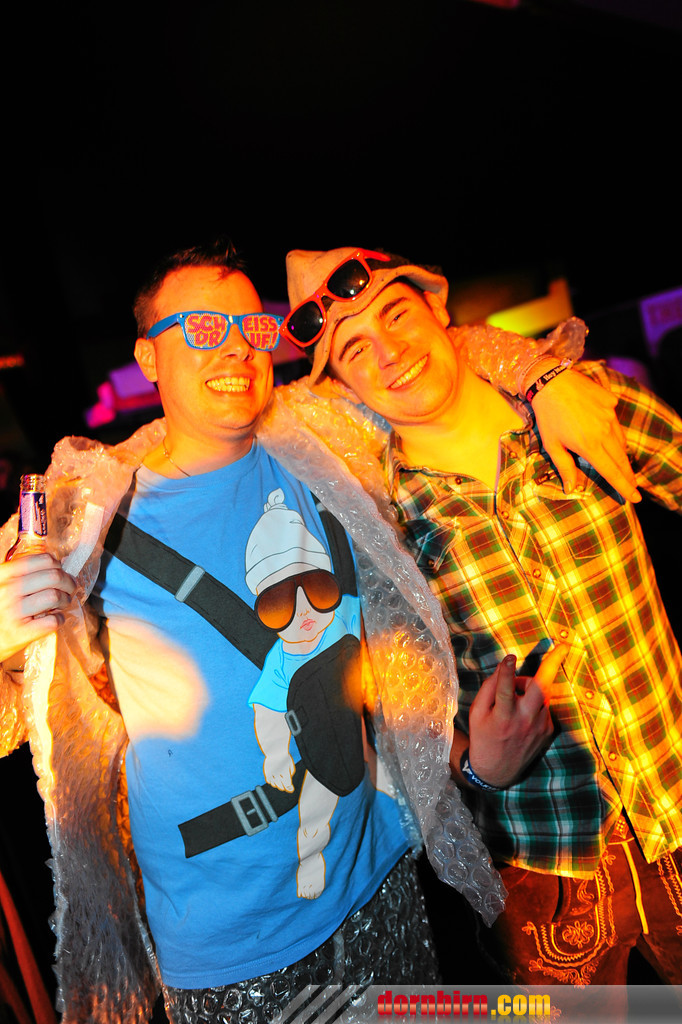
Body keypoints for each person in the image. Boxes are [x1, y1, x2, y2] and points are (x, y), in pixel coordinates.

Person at [0, 241, 633, 1024]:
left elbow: (423, 357)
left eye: (252, 327)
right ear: (148, 357)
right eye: (202, 328)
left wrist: (545, 377)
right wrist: (4, 639)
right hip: (236, 952)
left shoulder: (316, 438)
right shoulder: (83, 507)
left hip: (382, 879)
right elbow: (12, 706)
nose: (235, 346)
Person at [283, 245, 682, 1000]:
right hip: (546, 877)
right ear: (340, 383)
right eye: (355, 350)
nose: (389, 353)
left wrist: (549, 376)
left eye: (396, 315)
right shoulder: (380, 526)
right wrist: (476, 766)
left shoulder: (581, 404)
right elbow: (388, 712)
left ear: (438, 308)